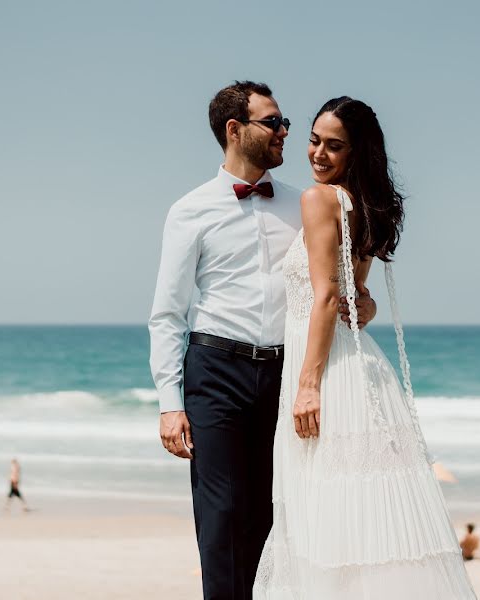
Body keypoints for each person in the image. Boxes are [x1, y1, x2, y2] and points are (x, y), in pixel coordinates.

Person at [149, 81, 376, 600]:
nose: (285, 133)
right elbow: (167, 314)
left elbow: (340, 285)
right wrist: (169, 403)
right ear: (235, 130)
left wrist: (366, 305)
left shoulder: (306, 204)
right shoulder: (189, 211)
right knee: (222, 517)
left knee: (279, 515)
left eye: (284, 122)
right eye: (273, 123)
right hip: (216, 372)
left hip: (285, 372)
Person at [253, 97, 477, 599]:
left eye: (334, 146)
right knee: (361, 518)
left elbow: (330, 297)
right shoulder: (363, 202)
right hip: (356, 365)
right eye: (314, 140)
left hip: (328, 370)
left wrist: (308, 385)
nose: (318, 154)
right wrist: (365, 307)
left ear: (357, 152)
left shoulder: (319, 200)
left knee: (327, 515)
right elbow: (359, 298)